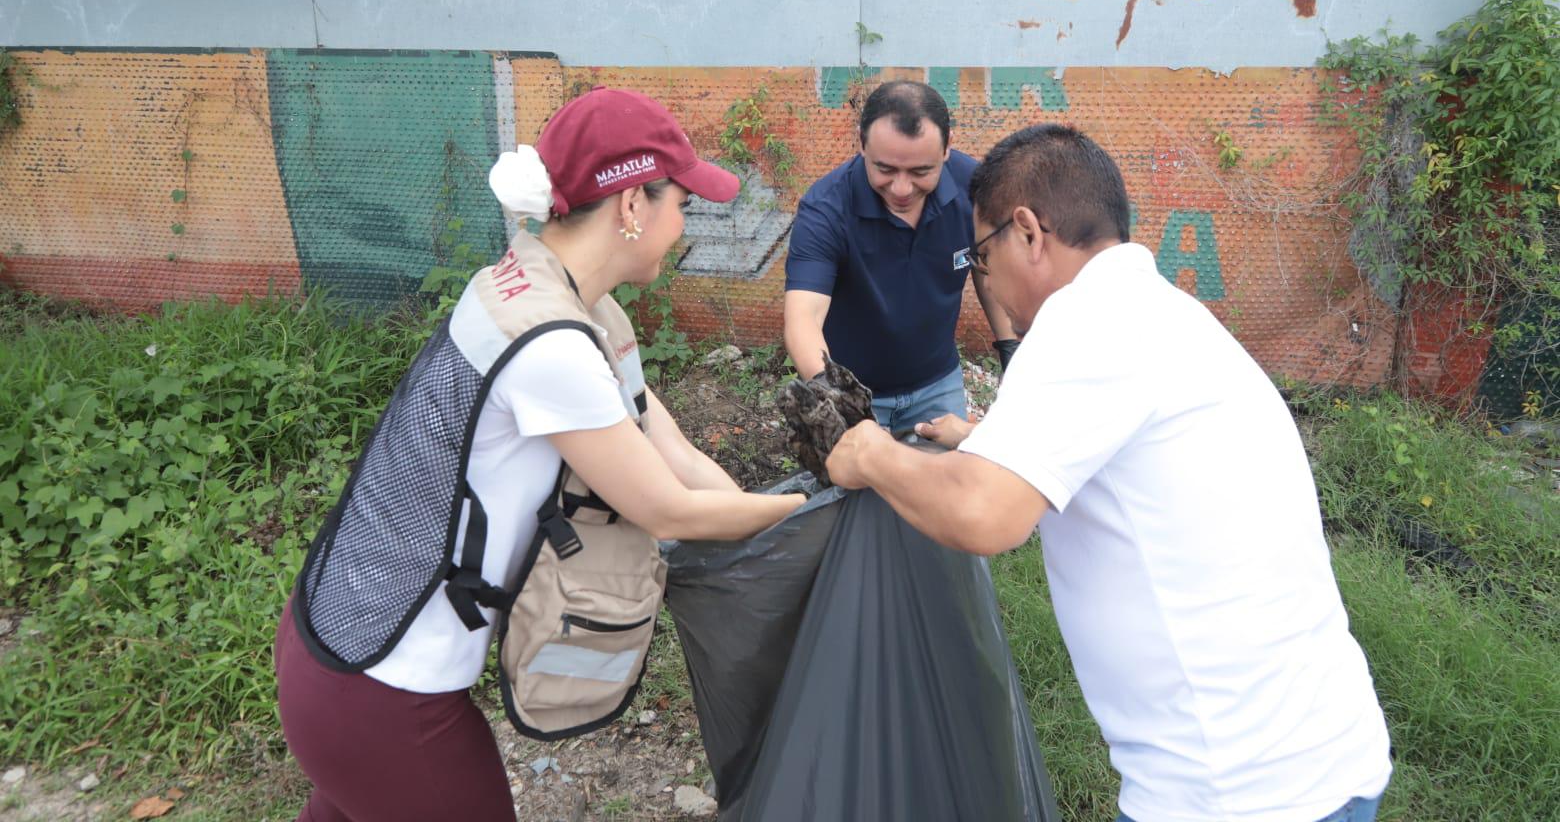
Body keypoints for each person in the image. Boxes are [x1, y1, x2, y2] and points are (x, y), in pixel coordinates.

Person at [826, 124, 1392, 822]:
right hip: (1320, 752)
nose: (988, 279)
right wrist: (984, 439)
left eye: (982, 253)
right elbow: (1128, 455)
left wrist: (867, 450)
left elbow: (983, 515)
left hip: (1234, 790)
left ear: (1028, 232)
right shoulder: (1163, 312)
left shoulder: (1083, 321)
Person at [274, 88, 806, 822]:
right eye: (680, 202)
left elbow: (673, 451)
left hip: (338, 644)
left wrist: (775, 517)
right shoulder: (552, 343)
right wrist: (812, 511)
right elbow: (665, 506)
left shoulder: (550, 293)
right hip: (385, 687)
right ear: (630, 206)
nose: (683, 226)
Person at [783, 80, 1017, 432]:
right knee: (856, 487)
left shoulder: (975, 188)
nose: (902, 189)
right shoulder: (827, 208)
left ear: (947, 148)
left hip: (939, 386)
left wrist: (1011, 347)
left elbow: (987, 269)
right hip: (855, 393)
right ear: (862, 145)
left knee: (944, 483)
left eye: (921, 172)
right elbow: (804, 316)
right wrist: (836, 399)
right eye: (886, 170)